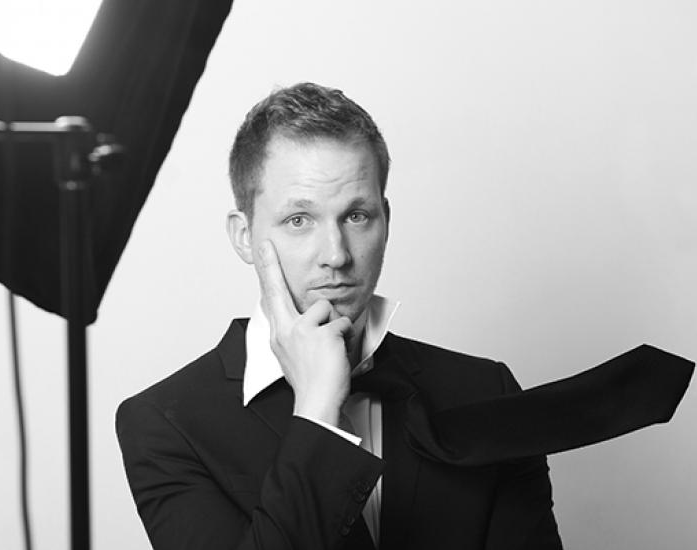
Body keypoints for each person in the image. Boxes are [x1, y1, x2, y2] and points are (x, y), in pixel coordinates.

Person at [116, 82, 563, 549]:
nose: (336, 255)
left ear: (385, 221)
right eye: (299, 220)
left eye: (356, 216)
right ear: (244, 236)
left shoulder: (487, 393)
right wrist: (317, 413)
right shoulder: (165, 424)